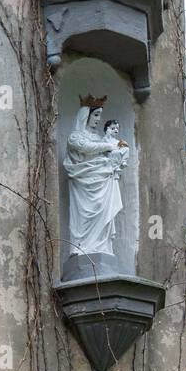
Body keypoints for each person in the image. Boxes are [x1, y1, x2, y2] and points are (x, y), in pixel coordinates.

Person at [64, 104, 129, 264]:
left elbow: (109, 153)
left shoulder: (100, 138)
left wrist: (118, 151)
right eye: (95, 115)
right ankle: (80, 247)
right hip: (83, 182)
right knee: (84, 215)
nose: (98, 120)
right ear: (85, 116)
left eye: (100, 116)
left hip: (102, 179)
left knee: (103, 209)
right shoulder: (75, 136)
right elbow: (87, 148)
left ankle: (102, 246)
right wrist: (109, 146)